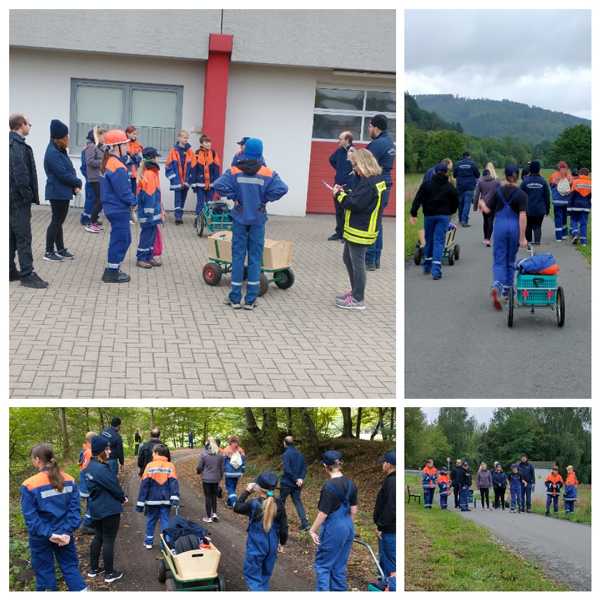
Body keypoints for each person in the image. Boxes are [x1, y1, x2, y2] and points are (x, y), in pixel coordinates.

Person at [213, 138, 288, 310]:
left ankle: (235, 297)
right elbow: (282, 189)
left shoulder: (234, 171)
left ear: (245, 152)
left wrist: (234, 196)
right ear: (260, 153)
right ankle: (250, 299)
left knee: (237, 257)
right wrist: (265, 199)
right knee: (255, 258)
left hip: (240, 219)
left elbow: (218, 185)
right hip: (258, 220)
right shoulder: (267, 173)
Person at [20, 444, 87, 591]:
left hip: (40, 537)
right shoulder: (69, 480)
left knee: (44, 573)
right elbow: (75, 511)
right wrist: (66, 532)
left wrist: (50, 534)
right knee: (70, 568)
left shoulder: (29, 485)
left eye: (32, 458)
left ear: (37, 460)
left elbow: (31, 518)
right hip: (64, 536)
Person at [333, 148, 387, 309]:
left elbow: (354, 204)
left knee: (357, 263)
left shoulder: (369, 183)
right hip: (360, 228)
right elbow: (361, 198)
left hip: (360, 229)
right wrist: (348, 192)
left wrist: (339, 195)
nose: (354, 169)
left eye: (355, 165)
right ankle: (355, 291)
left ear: (364, 164)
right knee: (348, 259)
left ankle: (358, 299)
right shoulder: (375, 180)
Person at [479, 166, 528, 310]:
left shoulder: (498, 191)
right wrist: (522, 237)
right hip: (514, 227)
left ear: (505, 175)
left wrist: (481, 203)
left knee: (499, 259)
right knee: (510, 261)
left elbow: (487, 210)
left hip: (500, 226)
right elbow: (522, 216)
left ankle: (497, 286)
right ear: (518, 176)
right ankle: (507, 292)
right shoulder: (521, 194)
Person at [309, 450, 357, 591]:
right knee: (339, 566)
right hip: (348, 526)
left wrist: (312, 530)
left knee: (323, 566)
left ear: (325, 466)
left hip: (334, 528)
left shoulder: (329, 486)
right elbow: (354, 510)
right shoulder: (351, 483)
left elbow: (323, 514)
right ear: (340, 464)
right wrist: (347, 527)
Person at [9, 113, 48, 288]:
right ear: (21, 125)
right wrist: (27, 197)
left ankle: (10, 270)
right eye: (28, 124)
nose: (30, 127)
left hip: (10, 199)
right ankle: (27, 274)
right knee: (23, 237)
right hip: (18, 201)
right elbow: (21, 176)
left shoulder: (10, 143)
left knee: (10, 236)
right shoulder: (17, 146)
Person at [234, 471, 288, 591]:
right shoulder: (279, 504)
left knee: (252, 577)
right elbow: (284, 527)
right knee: (264, 577)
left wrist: (247, 491)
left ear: (258, 487)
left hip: (256, 544)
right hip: (272, 545)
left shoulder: (253, 504)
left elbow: (237, 507)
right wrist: (282, 543)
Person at [84, 435, 127, 583]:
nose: (109, 451)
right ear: (100, 451)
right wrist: (123, 498)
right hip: (108, 510)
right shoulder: (101, 469)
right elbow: (114, 487)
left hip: (96, 508)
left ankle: (93, 569)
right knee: (108, 540)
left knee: (98, 537)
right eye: (107, 449)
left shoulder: (89, 466)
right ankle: (109, 573)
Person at [100, 129, 138, 283]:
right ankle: (111, 272)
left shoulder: (110, 162)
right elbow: (124, 191)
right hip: (118, 209)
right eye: (125, 144)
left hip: (113, 208)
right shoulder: (117, 166)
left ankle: (113, 269)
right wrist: (134, 202)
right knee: (122, 239)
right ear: (116, 147)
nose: (128, 147)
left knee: (121, 238)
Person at [409, 162, 459, 280]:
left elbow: (418, 199)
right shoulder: (449, 186)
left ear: (435, 172)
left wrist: (413, 213)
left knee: (429, 240)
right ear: (446, 173)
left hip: (429, 216)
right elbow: (456, 202)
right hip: (443, 216)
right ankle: (436, 270)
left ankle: (427, 266)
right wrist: (451, 211)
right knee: (439, 241)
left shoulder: (426, 184)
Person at [43, 119, 81, 262]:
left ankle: (60, 249)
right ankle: (48, 252)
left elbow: (69, 169)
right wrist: (77, 182)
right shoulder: (53, 153)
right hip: (57, 192)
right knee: (56, 221)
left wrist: (74, 182)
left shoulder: (60, 150)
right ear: (57, 138)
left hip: (62, 192)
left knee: (58, 222)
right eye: (65, 137)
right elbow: (62, 174)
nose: (68, 139)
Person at [365, 114, 395, 270]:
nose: (368, 128)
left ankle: (369, 259)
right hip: (385, 184)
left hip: (376, 185)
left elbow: (365, 164)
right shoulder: (389, 142)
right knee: (377, 222)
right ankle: (376, 258)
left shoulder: (377, 144)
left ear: (376, 128)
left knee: (371, 222)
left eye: (370, 126)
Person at [136, 443, 180, 549]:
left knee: (151, 520)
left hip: (152, 500)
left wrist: (140, 502)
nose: (152, 454)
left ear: (156, 453)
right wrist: (175, 497)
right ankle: (165, 543)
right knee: (165, 520)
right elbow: (174, 483)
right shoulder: (170, 466)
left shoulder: (150, 466)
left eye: (153, 453)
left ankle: (148, 542)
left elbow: (144, 485)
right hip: (166, 500)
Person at [135, 147, 163, 269]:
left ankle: (149, 256)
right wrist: (150, 214)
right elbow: (149, 195)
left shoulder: (151, 172)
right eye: (156, 157)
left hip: (151, 212)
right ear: (152, 158)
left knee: (151, 235)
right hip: (148, 214)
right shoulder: (150, 174)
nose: (158, 159)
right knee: (146, 235)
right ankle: (141, 258)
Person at [374, 450, 396, 591]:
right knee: (385, 559)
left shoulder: (392, 482)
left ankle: (392, 587)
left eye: (384, 462)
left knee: (390, 561)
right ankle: (385, 584)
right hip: (387, 528)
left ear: (389, 464)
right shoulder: (391, 480)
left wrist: (381, 526)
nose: (382, 465)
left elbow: (391, 508)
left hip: (389, 530)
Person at [328, 131, 354, 241]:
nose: (338, 141)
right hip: (337, 185)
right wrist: (340, 171)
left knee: (346, 211)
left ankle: (346, 234)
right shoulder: (339, 151)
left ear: (347, 140)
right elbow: (331, 160)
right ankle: (339, 233)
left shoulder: (353, 152)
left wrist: (348, 176)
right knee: (338, 210)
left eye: (340, 139)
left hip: (348, 186)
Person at [190, 134, 221, 227]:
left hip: (211, 184)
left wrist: (216, 182)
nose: (208, 144)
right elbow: (193, 168)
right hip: (200, 184)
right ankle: (198, 220)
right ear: (201, 143)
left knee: (209, 203)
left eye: (209, 142)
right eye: (206, 142)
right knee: (200, 202)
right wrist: (194, 183)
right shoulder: (196, 153)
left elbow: (217, 169)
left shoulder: (214, 153)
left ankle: (207, 220)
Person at [279, 436, 310, 531]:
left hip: (287, 483)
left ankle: (281, 523)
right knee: (298, 502)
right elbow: (304, 468)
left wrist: (296, 479)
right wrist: (301, 479)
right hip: (297, 484)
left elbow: (287, 470)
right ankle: (305, 524)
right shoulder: (300, 454)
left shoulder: (286, 454)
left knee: (281, 502)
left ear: (285, 443)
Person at [166, 129, 194, 224]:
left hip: (186, 180)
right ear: (179, 138)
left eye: (187, 138)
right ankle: (177, 217)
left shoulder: (190, 151)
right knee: (178, 199)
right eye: (184, 137)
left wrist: (190, 178)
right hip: (177, 180)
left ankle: (180, 216)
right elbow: (168, 166)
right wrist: (174, 178)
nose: (186, 139)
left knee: (183, 198)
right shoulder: (173, 151)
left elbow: (193, 166)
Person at [521, 160, 551, 246]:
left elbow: (520, 196)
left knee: (528, 225)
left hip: (528, 209)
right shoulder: (543, 181)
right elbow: (547, 197)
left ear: (530, 169)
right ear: (539, 169)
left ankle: (529, 242)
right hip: (540, 209)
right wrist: (547, 209)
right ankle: (537, 242)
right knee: (537, 226)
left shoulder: (525, 181)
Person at [83, 126, 106, 233]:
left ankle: (94, 221)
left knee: (99, 200)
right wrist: (103, 163)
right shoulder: (91, 147)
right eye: (103, 136)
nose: (104, 138)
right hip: (94, 177)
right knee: (99, 200)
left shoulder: (98, 147)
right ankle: (91, 223)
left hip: (99, 177)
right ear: (97, 136)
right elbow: (89, 161)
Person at [196, 437, 224, 523]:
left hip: (206, 479)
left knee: (208, 497)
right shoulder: (220, 455)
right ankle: (214, 514)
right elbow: (222, 469)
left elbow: (199, 467)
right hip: (216, 479)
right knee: (214, 496)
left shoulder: (204, 455)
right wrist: (220, 477)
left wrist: (199, 472)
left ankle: (208, 517)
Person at [472, 162, 500, 246]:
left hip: (483, 204)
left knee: (485, 221)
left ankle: (485, 238)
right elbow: (500, 194)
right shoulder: (496, 182)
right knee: (491, 220)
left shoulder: (480, 182)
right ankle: (488, 239)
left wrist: (475, 207)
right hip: (493, 204)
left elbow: (476, 195)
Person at [453, 151, 480, 227]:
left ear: (463, 156)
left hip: (460, 186)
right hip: (469, 187)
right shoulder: (472, 164)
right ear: (469, 156)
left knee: (460, 203)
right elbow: (478, 175)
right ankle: (464, 221)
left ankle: (460, 219)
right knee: (467, 204)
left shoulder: (457, 164)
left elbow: (454, 175)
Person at [548, 161, 573, 241]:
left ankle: (559, 237)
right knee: (564, 217)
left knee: (558, 217)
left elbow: (551, 186)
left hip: (557, 201)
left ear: (558, 167)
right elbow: (571, 186)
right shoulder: (569, 176)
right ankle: (564, 234)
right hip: (566, 200)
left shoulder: (553, 175)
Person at [78, 431, 97, 534]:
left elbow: (81, 465)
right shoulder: (90, 452)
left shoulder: (84, 451)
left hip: (84, 481)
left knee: (90, 503)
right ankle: (85, 525)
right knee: (93, 503)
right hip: (88, 482)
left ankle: (89, 522)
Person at [568, 168, 592, 246]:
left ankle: (575, 233)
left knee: (574, 220)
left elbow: (572, 195)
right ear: (588, 174)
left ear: (580, 174)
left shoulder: (576, 182)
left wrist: (569, 207)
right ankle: (583, 242)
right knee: (583, 223)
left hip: (575, 206)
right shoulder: (591, 183)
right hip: (586, 207)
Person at [222, 435, 247, 508]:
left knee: (229, 488)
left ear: (230, 441)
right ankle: (229, 503)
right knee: (233, 487)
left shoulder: (227, 449)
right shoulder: (241, 450)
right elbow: (243, 462)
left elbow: (223, 461)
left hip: (229, 472)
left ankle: (234, 503)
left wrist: (222, 470)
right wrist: (243, 471)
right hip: (238, 472)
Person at [125, 125, 144, 196]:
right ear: (127, 133)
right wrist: (133, 158)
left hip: (135, 173)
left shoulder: (138, 144)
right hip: (126, 172)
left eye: (136, 134)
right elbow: (124, 158)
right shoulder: (123, 144)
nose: (135, 135)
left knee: (134, 192)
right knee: (126, 192)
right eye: (133, 133)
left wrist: (133, 157)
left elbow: (140, 158)